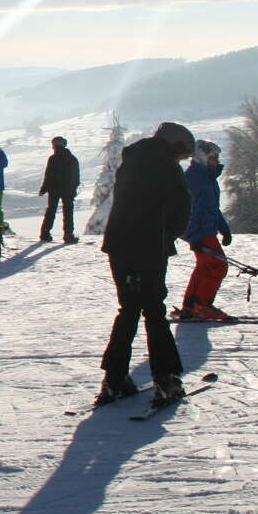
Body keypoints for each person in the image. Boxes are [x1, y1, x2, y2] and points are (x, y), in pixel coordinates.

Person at [97, 121, 194, 407]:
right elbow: (180, 210)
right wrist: (167, 236)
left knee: (128, 309)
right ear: (175, 147)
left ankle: (114, 380)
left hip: (119, 247)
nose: (181, 159)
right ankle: (166, 379)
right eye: (182, 154)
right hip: (149, 247)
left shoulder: (131, 161)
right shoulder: (166, 166)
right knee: (153, 310)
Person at [176, 139, 235, 321]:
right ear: (202, 158)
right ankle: (202, 306)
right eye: (212, 157)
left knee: (204, 267)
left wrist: (224, 229)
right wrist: (193, 236)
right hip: (200, 233)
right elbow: (187, 209)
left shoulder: (207, 177)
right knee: (218, 265)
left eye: (217, 157)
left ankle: (191, 306)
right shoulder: (195, 178)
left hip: (205, 231)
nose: (216, 161)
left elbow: (212, 208)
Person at [38, 136, 81, 243]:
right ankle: (68, 235)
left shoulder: (53, 159)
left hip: (54, 190)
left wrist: (44, 189)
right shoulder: (72, 158)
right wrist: (74, 189)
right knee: (68, 213)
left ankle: (45, 234)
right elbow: (76, 177)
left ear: (55, 146)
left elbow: (48, 176)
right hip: (68, 190)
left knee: (51, 210)